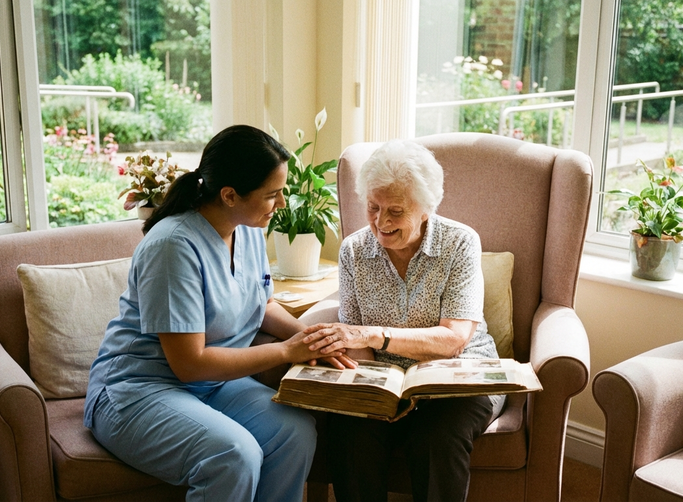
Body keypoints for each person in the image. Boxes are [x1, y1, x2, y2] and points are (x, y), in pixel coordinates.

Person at [84, 125, 354, 502]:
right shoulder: (173, 246)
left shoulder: (247, 231)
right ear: (229, 195)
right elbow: (190, 365)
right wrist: (286, 351)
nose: (281, 205)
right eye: (272, 195)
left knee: (295, 432)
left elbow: (262, 304)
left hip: (213, 386)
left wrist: (313, 340)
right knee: (233, 454)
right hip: (137, 390)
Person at [302, 139, 506, 502]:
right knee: (349, 432)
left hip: (456, 378)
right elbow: (356, 345)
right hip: (386, 380)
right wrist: (372, 392)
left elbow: (452, 340)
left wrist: (374, 336)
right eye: (373, 207)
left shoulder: (459, 243)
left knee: (436, 437)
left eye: (395, 210)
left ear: (426, 209)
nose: (381, 222)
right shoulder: (353, 250)